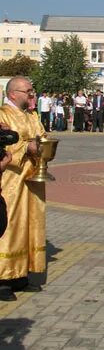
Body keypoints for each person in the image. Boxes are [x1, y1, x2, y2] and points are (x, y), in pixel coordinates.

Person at [0, 76, 45, 301]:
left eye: (32, 90)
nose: (31, 94)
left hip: (31, 179)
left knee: (29, 224)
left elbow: (41, 136)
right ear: (12, 94)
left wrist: (43, 145)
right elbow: (4, 142)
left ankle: (21, 273)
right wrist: (26, 146)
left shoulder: (31, 116)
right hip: (10, 179)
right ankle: (3, 278)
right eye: (28, 90)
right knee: (9, 224)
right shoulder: (3, 115)